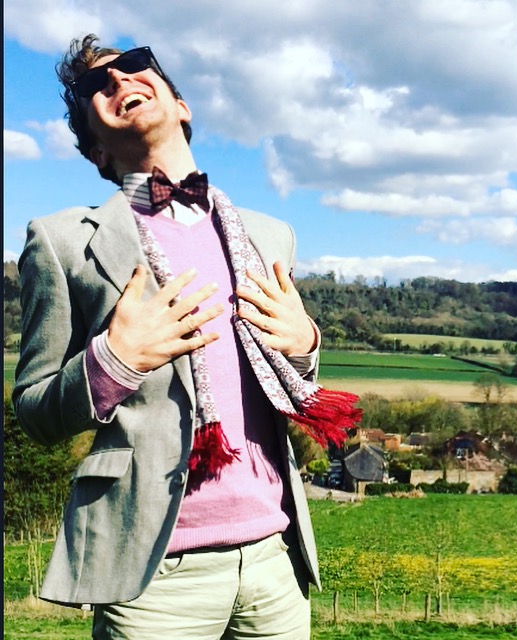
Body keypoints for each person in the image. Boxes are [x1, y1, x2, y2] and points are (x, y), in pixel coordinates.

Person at [13, 34, 361, 639]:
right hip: (153, 577)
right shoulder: (61, 242)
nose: (120, 81)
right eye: (97, 85)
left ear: (181, 104)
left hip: (274, 561)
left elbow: (286, 376)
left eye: (134, 66)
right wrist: (113, 362)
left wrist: (305, 343)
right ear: (96, 149)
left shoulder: (270, 235)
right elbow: (34, 411)